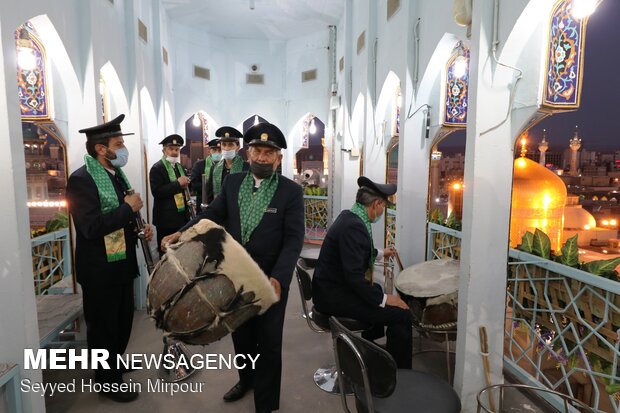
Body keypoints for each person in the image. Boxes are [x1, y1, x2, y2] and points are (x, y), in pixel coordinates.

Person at [161, 122, 304, 413]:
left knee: (268, 342)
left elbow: (293, 239)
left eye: (269, 153)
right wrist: (182, 232)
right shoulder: (234, 182)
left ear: (279, 158)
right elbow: (213, 215)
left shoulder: (290, 192)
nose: (263, 157)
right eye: (258, 151)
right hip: (234, 276)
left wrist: (280, 276)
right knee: (241, 336)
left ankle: (266, 403)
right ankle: (246, 380)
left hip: (269, 281)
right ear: (248, 154)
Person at [66, 114, 153, 402]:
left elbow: (121, 215)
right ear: (101, 149)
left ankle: (114, 361)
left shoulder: (116, 176)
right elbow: (90, 227)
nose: (123, 149)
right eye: (119, 143)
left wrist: (141, 226)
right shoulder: (81, 180)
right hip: (100, 269)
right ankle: (107, 379)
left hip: (121, 263)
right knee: (103, 326)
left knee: (121, 320)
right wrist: (128, 209)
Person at [312, 176, 413, 369]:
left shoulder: (349, 216)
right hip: (332, 297)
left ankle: (369, 348)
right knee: (401, 314)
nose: (383, 211)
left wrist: (382, 253)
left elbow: (356, 253)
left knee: (375, 287)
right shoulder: (354, 227)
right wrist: (385, 299)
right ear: (376, 204)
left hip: (328, 289)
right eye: (384, 207)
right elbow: (354, 278)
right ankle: (399, 372)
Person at [149, 134, 191, 256]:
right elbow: (157, 192)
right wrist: (177, 184)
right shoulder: (157, 168)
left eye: (176, 149)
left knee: (181, 253)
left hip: (181, 217)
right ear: (164, 150)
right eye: (170, 149)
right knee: (167, 254)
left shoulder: (179, 167)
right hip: (166, 219)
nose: (174, 152)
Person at [204, 126, 249, 204]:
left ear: (238, 146)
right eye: (224, 145)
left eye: (230, 145)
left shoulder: (246, 167)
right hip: (219, 211)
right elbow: (210, 195)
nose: (227, 148)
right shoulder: (214, 168)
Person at [190, 138, 221, 211]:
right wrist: (211, 186)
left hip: (221, 203)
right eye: (214, 150)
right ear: (209, 151)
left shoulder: (226, 166)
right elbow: (194, 184)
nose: (217, 153)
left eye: (219, 150)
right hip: (204, 203)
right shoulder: (199, 165)